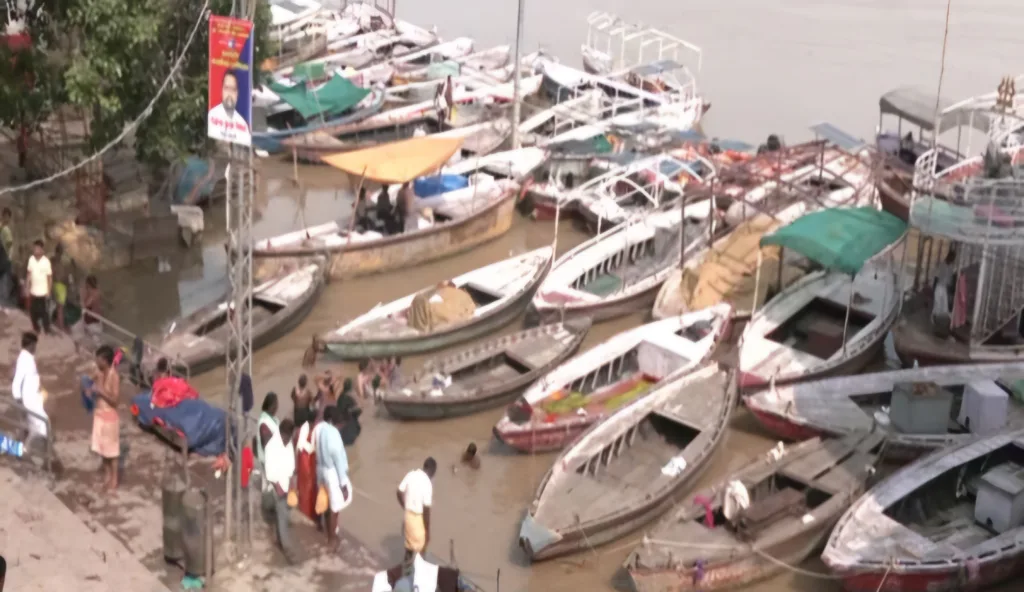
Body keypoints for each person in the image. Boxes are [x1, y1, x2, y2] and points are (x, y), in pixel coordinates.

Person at [263, 418, 298, 564]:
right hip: (273, 486)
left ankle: (277, 534)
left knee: (283, 512)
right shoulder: (272, 446)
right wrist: (279, 489)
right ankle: (287, 548)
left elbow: (290, 466)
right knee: (283, 515)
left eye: (289, 438)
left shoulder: (288, 444)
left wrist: (291, 485)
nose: (287, 440)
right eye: (286, 438)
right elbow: (270, 473)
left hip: (285, 484)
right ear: (281, 433)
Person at [317, 405, 352, 548]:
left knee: (328, 503)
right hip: (332, 472)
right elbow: (337, 457)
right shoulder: (333, 434)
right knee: (334, 506)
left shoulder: (321, 429)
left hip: (321, 469)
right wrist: (343, 484)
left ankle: (329, 531)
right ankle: (332, 538)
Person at [89, 345, 121, 490]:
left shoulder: (114, 376)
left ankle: (114, 479)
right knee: (102, 449)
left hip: (109, 417)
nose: (96, 361)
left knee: (112, 451)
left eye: (99, 359)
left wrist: (101, 391)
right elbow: (90, 383)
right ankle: (107, 475)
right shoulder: (99, 373)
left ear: (105, 361)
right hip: (99, 416)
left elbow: (115, 401)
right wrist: (90, 388)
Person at [12, 331, 48, 446]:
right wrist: (19, 400)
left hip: (33, 398)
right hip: (29, 400)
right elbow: (17, 381)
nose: (35, 348)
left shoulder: (27, 358)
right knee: (41, 426)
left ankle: (18, 448)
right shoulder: (25, 359)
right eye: (35, 345)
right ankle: (26, 451)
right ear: (31, 344)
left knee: (29, 426)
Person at [398, 457, 437, 560]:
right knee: (422, 550)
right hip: (418, 519)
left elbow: (399, 492)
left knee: (408, 547)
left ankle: (406, 570)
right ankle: (418, 571)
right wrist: (427, 532)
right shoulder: (427, 483)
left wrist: (405, 506)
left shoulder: (411, 474)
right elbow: (426, 510)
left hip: (408, 516)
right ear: (432, 471)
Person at [207, 70, 251, 146]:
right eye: (227, 88)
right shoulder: (212, 115)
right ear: (222, 90)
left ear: (237, 93)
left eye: (233, 89)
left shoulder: (243, 125)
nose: (229, 94)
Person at [294, 410, 321, 523]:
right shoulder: (305, 428)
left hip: (309, 459)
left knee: (310, 487)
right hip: (306, 459)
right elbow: (300, 445)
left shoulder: (309, 427)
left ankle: (309, 512)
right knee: (307, 487)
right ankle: (306, 512)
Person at [25, 239, 52, 334]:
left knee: (44, 311)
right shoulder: (31, 260)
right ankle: (36, 328)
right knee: (33, 311)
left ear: (41, 250)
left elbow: (49, 277)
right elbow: (28, 274)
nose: (35, 250)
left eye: (37, 248)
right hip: (33, 291)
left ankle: (47, 328)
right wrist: (27, 287)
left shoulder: (46, 262)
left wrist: (48, 291)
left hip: (43, 292)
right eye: (34, 248)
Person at [51, 243, 74, 331]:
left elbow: (51, 272)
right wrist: (70, 285)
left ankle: (59, 323)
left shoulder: (53, 261)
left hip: (57, 284)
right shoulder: (65, 263)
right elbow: (69, 275)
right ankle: (60, 324)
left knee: (58, 306)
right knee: (60, 307)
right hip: (62, 286)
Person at [256, 392, 280, 475]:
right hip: (269, 461)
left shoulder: (274, 419)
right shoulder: (264, 423)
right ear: (271, 406)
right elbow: (266, 446)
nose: (277, 406)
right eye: (276, 404)